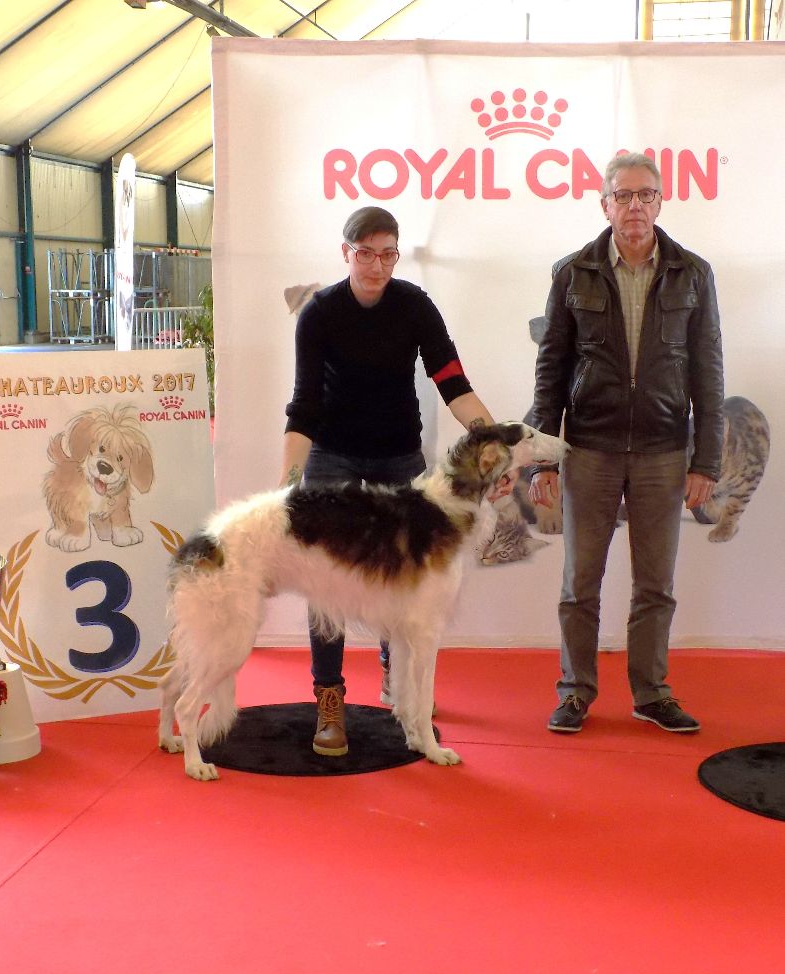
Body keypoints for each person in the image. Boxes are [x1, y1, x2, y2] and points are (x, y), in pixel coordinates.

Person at [280, 206, 500, 757]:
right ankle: (329, 700)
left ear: (397, 255)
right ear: (345, 253)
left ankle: (398, 684)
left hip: (399, 456)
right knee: (324, 581)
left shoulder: (414, 305)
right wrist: (287, 484)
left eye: (387, 254)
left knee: (402, 581)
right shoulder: (320, 313)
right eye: (365, 254)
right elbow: (304, 405)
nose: (377, 266)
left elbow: (451, 380)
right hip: (331, 456)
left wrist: (492, 442)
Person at [528, 152, 724, 734]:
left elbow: (708, 369)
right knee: (578, 584)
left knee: (655, 584)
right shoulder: (573, 272)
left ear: (660, 203)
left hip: (666, 450)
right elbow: (552, 368)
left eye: (646, 195)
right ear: (605, 203)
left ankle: (651, 692)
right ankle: (574, 691)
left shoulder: (693, 272)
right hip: (589, 447)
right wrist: (543, 455)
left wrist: (706, 457)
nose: (635, 206)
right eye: (624, 195)